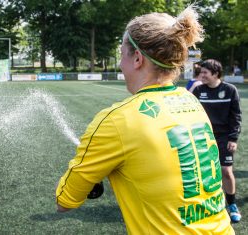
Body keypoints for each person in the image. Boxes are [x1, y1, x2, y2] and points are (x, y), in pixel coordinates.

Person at [55, 6, 234, 234]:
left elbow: (64, 201)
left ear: (137, 58)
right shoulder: (191, 102)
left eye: (122, 55)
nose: (121, 64)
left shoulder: (117, 120)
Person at [192, 59, 242, 223]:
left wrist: (233, 138)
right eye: (201, 72)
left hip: (225, 137)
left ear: (215, 74)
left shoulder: (229, 90)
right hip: (204, 137)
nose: (201, 75)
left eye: (205, 72)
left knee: (226, 172)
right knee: (205, 172)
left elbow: (236, 117)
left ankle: (232, 205)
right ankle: (212, 204)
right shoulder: (198, 90)